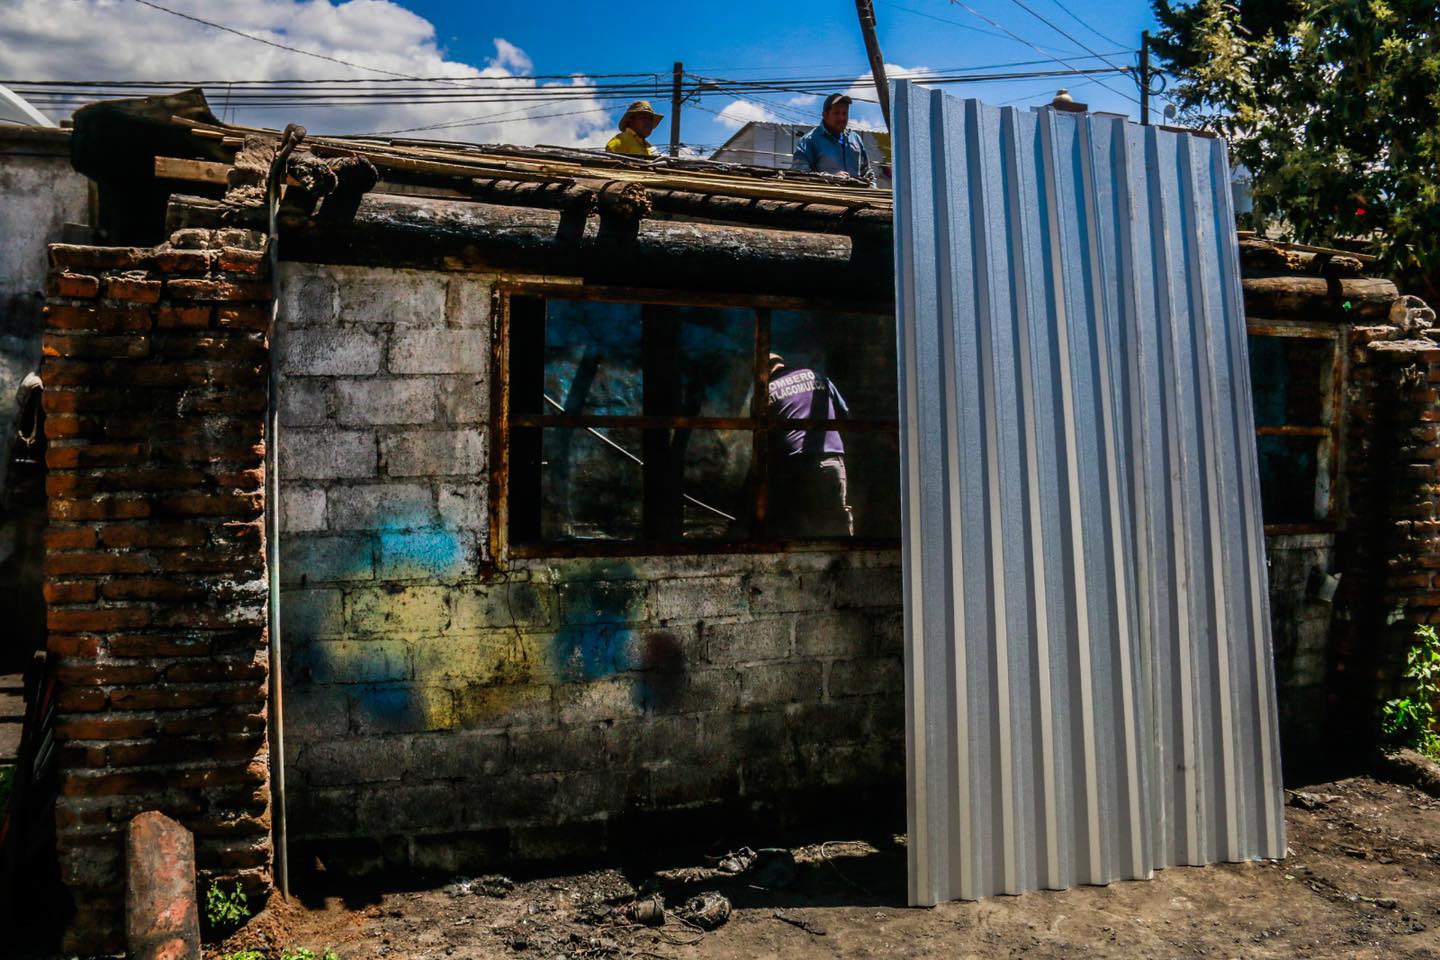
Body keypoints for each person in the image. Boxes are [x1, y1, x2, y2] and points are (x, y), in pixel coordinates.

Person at [767, 353, 854, 538]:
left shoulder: (765, 392)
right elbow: (845, 413)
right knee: (836, 521)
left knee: (800, 524)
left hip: (795, 464)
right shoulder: (818, 376)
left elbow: (764, 440)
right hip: (830, 457)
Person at [791, 93, 876, 185]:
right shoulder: (809, 140)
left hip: (858, 197)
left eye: (845, 113)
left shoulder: (855, 139)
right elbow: (800, 175)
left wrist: (873, 189)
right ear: (825, 115)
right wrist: (830, 179)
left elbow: (867, 173)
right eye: (836, 113)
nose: (842, 118)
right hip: (826, 197)